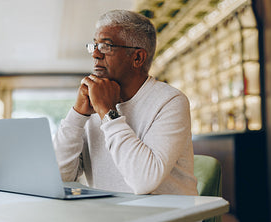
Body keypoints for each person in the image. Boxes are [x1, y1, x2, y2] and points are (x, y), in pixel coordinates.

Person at [53, 10, 198, 195]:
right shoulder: (92, 103)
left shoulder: (170, 101)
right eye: (94, 45)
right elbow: (59, 177)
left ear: (137, 58)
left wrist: (107, 112)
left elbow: (144, 182)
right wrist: (77, 115)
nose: (95, 54)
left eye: (106, 46)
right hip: (111, 213)